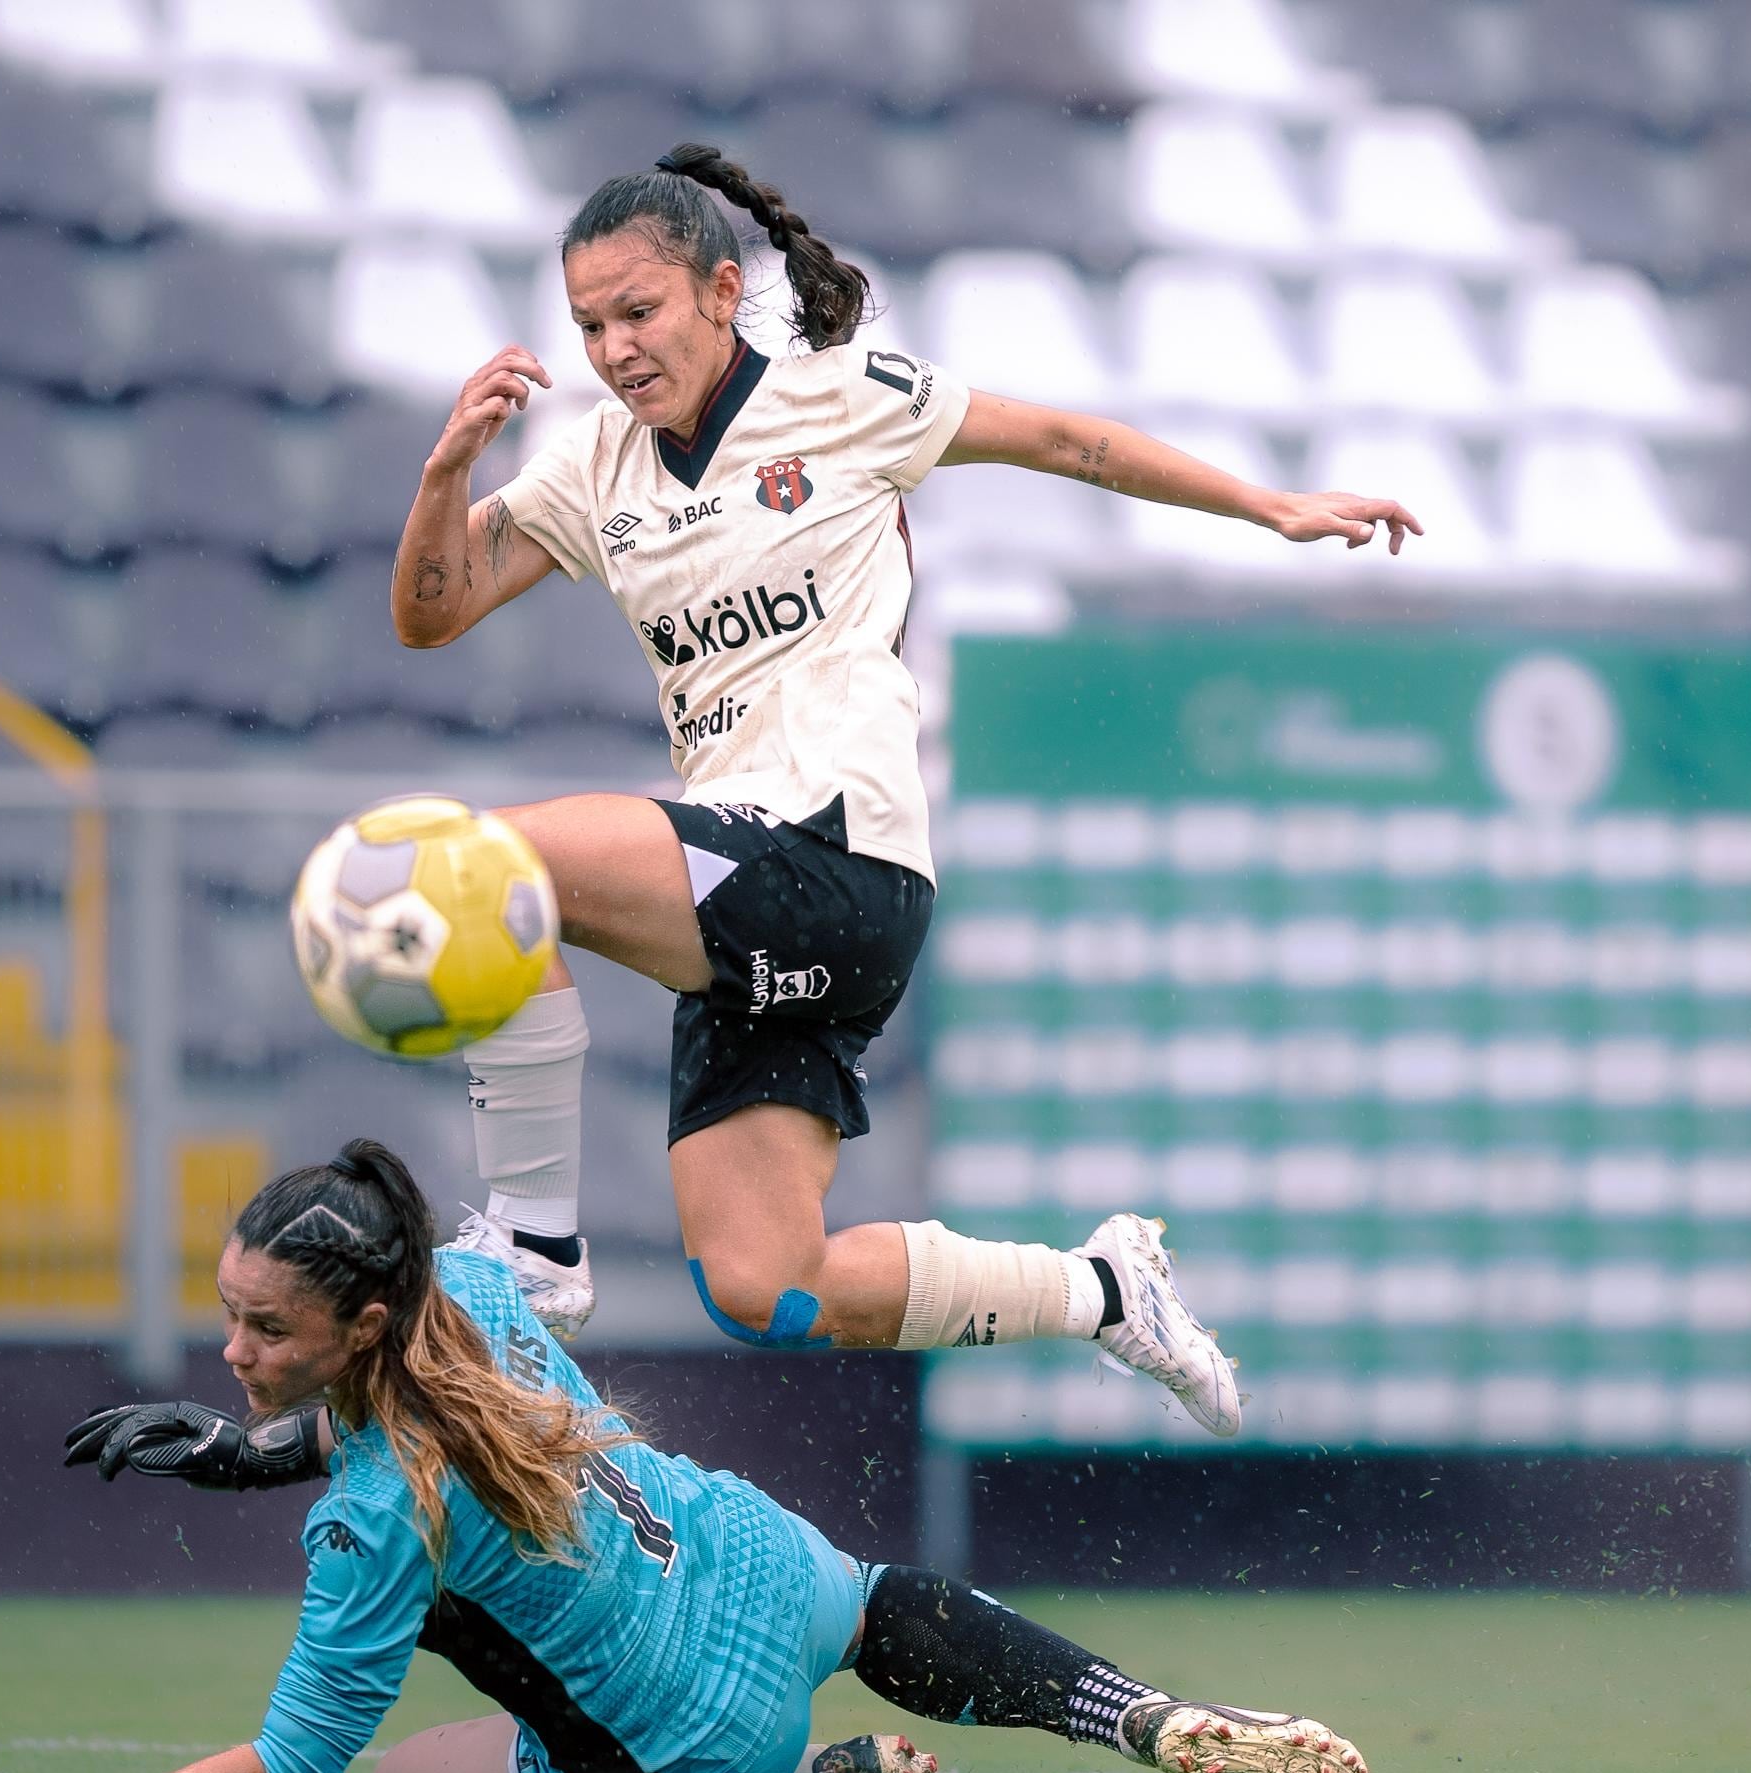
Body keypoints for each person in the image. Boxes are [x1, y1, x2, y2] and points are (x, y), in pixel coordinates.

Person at [390, 145, 1420, 1439]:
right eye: (590, 324)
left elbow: (1066, 438)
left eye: (638, 312)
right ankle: (1105, 1289)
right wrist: (446, 477)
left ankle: (535, 1253)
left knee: (488, 865)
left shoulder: (841, 396)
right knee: (771, 1287)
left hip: (835, 849)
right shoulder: (596, 468)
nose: (614, 347)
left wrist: (1270, 507)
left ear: (720, 290)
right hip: (760, 900)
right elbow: (433, 615)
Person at [0, 1141, 1367, 1773]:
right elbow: (405, 1427)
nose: (231, 1350)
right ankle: (1143, 1716)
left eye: (265, 1331)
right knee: (874, 1602)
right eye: (229, 1317)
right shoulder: (483, 1303)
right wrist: (241, 1443)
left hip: (696, 1757)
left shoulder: (376, 1523)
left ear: (360, 1326)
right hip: (775, 1568)